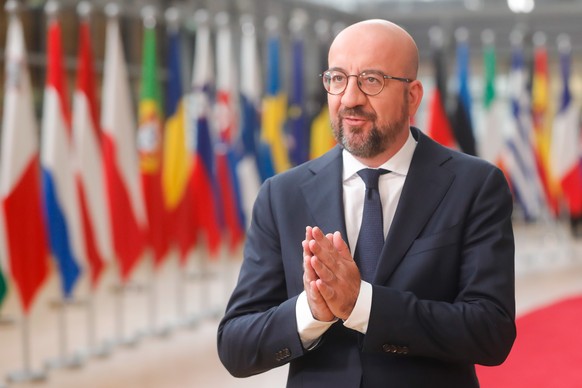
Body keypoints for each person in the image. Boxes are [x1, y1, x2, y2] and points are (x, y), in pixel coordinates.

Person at [217, 19, 516, 387]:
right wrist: (311, 312)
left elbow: (491, 331)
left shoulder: (474, 185)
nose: (350, 98)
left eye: (371, 80)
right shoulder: (282, 195)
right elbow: (235, 345)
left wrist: (363, 305)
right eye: (338, 78)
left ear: (413, 96)